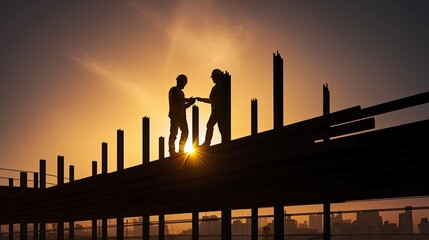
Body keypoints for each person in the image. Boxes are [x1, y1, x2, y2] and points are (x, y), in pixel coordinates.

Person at [168, 74, 195, 156]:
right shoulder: (174, 90)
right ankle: (172, 151)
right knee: (174, 133)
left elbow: (182, 105)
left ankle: (181, 150)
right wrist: (187, 100)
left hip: (182, 116)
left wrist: (189, 103)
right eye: (183, 83)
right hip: (175, 115)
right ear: (179, 82)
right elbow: (175, 99)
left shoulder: (182, 93)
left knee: (185, 132)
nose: (184, 85)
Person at [197, 69, 224, 147]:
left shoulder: (222, 87)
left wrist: (202, 99)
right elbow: (212, 100)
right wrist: (201, 99)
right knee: (213, 126)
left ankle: (207, 143)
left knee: (216, 126)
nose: (212, 79)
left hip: (218, 110)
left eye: (213, 77)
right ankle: (208, 142)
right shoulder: (215, 88)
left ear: (217, 77)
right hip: (216, 110)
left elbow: (212, 100)